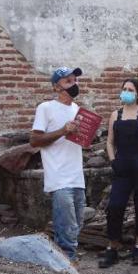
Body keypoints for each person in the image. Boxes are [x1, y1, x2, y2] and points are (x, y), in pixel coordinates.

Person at [99, 78, 138, 268]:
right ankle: (113, 247)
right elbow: (110, 141)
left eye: (130, 89)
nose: (126, 92)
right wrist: (113, 160)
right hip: (122, 168)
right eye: (124, 89)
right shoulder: (115, 115)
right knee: (115, 206)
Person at [30, 67, 86, 262]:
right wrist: (63, 131)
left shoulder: (77, 109)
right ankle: (67, 264)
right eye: (68, 81)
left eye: (75, 80)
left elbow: (82, 142)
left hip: (77, 175)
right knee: (65, 224)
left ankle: (64, 259)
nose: (74, 85)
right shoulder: (45, 108)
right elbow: (34, 140)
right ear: (56, 87)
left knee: (77, 223)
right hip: (59, 177)